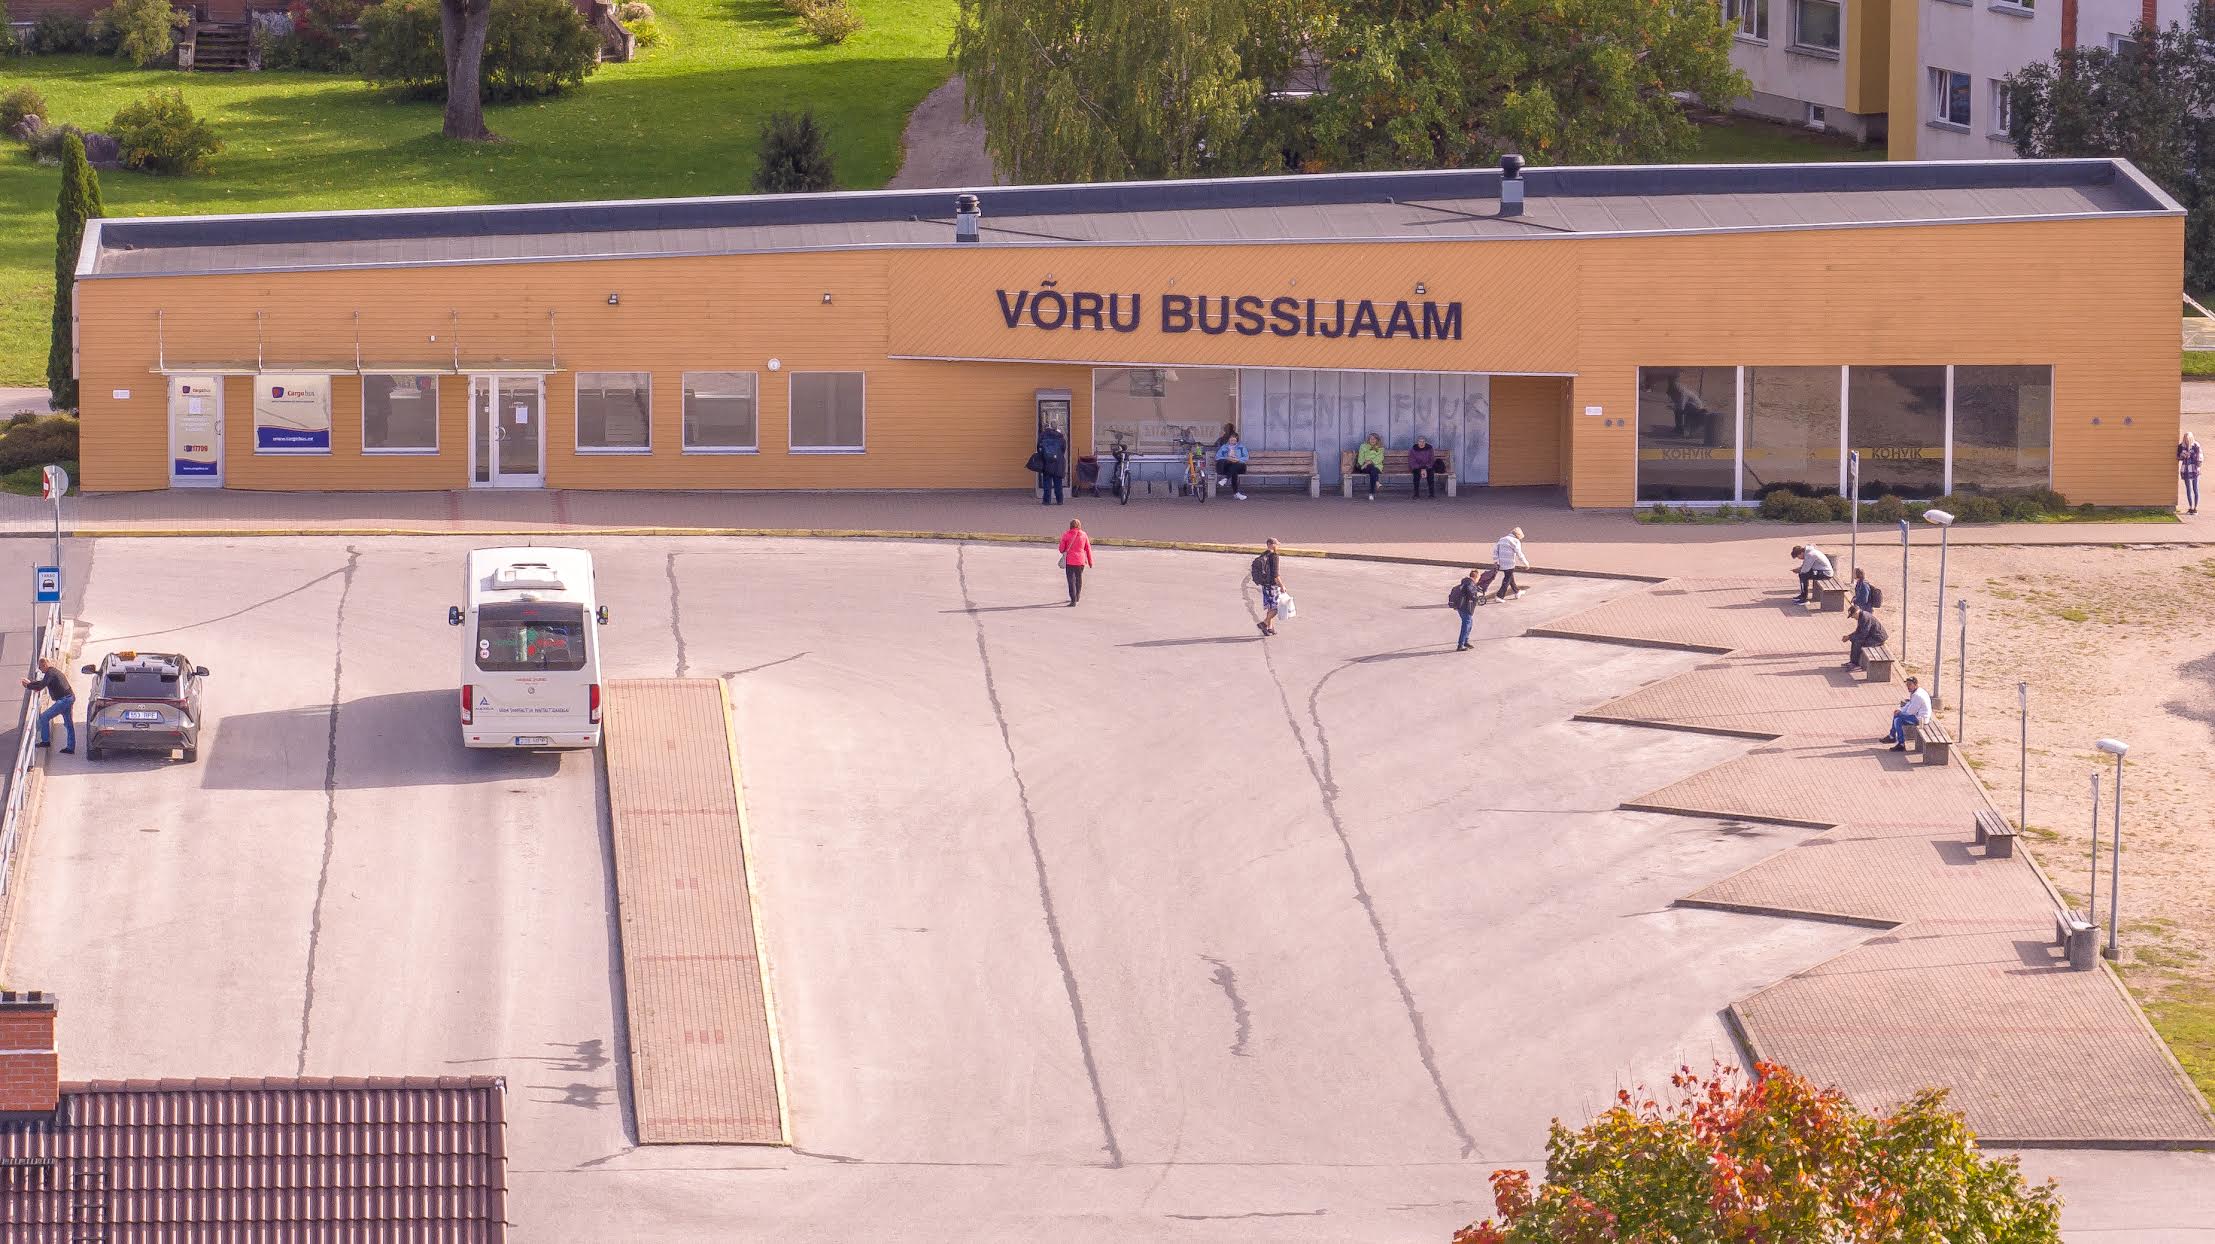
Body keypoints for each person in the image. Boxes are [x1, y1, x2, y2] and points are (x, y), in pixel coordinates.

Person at [20, 656, 75, 755]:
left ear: (44, 664)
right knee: (68, 723)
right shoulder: (53, 672)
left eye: (40, 668)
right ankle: (70, 747)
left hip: (64, 700)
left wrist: (28, 686)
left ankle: (46, 741)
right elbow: (42, 682)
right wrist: (31, 683)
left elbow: (41, 686)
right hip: (69, 697)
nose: (41, 671)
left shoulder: (50, 673)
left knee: (44, 717)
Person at [1882, 676, 1932, 750]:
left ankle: (1895, 739)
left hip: (1921, 719)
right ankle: (1898, 741)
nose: (1908, 686)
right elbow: (1909, 704)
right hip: (1917, 716)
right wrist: (1900, 710)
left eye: (1910, 684)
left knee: (1897, 717)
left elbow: (1911, 712)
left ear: (1915, 685)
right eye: (1907, 684)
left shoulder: (1917, 695)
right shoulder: (1916, 692)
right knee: (1898, 719)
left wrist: (1900, 712)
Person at [1057, 518, 1093, 606]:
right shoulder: (1084, 535)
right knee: (1079, 579)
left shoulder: (1066, 534)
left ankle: (1073, 600)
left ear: (1070, 525)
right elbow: (1088, 549)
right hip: (1080, 561)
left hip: (1070, 561)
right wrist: (1090, 561)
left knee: (1071, 580)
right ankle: (1077, 597)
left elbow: (1061, 549)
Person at [1841, 604, 1887, 671]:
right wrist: (1849, 637)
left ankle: (1857, 664)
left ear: (1856, 613)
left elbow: (1863, 634)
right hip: (1873, 636)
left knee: (1858, 643)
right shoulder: (1861, 616)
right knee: (1855, 641)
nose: (1852, 618)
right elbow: (1858, 631)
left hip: (1877, 638)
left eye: (1852, 616)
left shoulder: (1865, 618)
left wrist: (1851, 638)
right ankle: (1853, 662)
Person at [1253, 537, 1283, 636]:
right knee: (1277, 607)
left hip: (1265, 585)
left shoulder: (1264, 554)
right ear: (1270, 544)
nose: (1277, 546)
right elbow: (1275, 574)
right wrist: (1282, 586)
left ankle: (1269, 628)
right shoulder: (1274, 556)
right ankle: (1264, 623)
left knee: (1271, 607)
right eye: (1275, 544)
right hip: (1272, 586)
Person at [1492, 526, 1530, 600]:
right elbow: (1519, 554)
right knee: (1507, 579)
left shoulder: (1502, 539)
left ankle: (1517, 591)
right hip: (1509, 563)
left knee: (1509, 577)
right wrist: (1526, 563)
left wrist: (1496, 561)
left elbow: (1495, 551)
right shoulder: (1515, 541)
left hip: (1501, 563)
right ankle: (1499, 596)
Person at [1034, 424, 1067, 506]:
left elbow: (1038, 447)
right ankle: (1059, 500)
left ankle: (1046, 501)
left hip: (1047, 463)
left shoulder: (1043, 435)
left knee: (1047, 483)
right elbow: (1063, 449)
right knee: (1058, 483)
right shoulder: (1060, 436)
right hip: (1058, 463)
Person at [1449, 568, 1482, 650]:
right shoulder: (1470, 584)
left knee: (1469, 624)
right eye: (1478, 577)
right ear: (1476, 577)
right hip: (1466, 608)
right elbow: (1471, 594)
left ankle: (1465, 641)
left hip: (1461, 607)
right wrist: (1477, 598)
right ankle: (1461, 645)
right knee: (1466, 626)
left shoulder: (1466, 583)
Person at [1216, 433, 1250, 500]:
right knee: (1234, 471)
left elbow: (1246, 457)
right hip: (1228, 467)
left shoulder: (1241, 447)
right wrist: (1227, 458)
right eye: (1231, 440)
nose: (1232, 441)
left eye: (1234, 440)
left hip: (1240, 466)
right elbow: (1217, 457)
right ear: (1228, 440)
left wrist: (1238, 459)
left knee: (1236, 465)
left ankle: (1225, 479)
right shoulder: (1224, 447)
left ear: (1237, 441)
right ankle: (1236, 493)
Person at [1354, 433, 1385, 500]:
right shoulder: (1363, 446)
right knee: (1372, 469)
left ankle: (1373, 490)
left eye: (1374, 439)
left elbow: (1380, 459)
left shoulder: (1381, 448)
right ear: (1368, 440)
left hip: (1377, 467)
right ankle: (1373, 491)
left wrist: (1370, 462)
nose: (1372, 440)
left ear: (1377, 440)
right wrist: (1364, 464)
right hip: (1365, 467)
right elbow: (1361, 458)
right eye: (1371, 439)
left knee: (1373, 470)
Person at [2182, 431, 2203, 515]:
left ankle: (2195, 508)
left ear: (2191, 438)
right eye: (2185, 438)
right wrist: (2183, 455)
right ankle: (2190, 507)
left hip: (2195, 470)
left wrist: (2198, 465)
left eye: (2187, 438)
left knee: (2195, 488)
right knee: (2188, 489)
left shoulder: (2196, 445)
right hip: (2186, 470)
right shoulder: (2182, 446)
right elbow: (2178, 456)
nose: (2186, 440)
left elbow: (2200, 457)